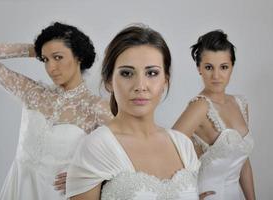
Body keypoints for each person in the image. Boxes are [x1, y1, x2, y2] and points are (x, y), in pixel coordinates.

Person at [0, 22, 112, 200]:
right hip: (17, 189)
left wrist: (90, 176)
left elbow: (127, 153)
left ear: (79, 56)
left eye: (58, 57)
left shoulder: (96, 107)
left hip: (58, 194)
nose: (50, 68)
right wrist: (36, 49)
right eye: (45, 60)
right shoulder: (33, 93)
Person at [66, 24, 200, 200]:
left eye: (152, 73)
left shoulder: (184, 146)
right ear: (109, 81)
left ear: (165, 81)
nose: (140, 86)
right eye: (127, 73)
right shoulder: (96, 147)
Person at [172, 30, 255, 200]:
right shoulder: (200, 107)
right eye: (209, 67)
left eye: (223, 67)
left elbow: (243, 160)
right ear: (199, 68)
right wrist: (188, 194)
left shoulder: (240, 103)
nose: (216, 76)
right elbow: (166, 151)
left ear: (232, 66)